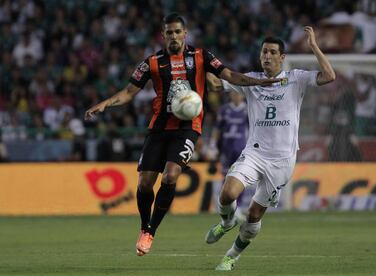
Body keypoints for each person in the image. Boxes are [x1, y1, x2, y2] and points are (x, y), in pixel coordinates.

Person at [84, 13, 277, 257]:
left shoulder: (201, 56)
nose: (174, 36)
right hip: (159, 128)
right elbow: (129, 91)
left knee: (171, 175)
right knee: (144, 183)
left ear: (185, 33)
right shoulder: (152, 62)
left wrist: (257, 82)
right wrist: (106, 103)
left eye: (178, 32)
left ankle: (151, 231)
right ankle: (144, 227)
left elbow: (229, 75)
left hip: (188, 127)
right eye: (169, 32)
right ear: (163, 35)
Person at [205, 26, 336, 271]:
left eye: (272, 52)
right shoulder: (249, 80)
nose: (266, 56)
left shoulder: (296, 78)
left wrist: (314, 47)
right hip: (254, 153)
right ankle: (227, 221)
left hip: (282, 161)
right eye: (264, 51)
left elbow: (329, 76)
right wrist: (201, 63)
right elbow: (214, 84)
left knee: (254, 216)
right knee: (227, 194)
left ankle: (231, 256)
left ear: (282, 57)